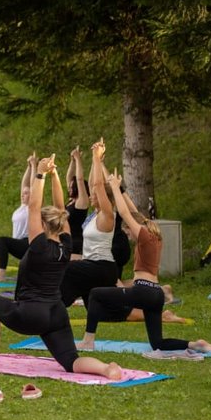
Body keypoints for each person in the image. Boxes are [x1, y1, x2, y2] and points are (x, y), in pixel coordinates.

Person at [0, 154, 122, 380]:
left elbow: (34, 206)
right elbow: (61, 207)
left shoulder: (38, 246)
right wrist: (54, 176)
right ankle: (105, 369)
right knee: (71, 361)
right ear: (61, 224)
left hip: (31, 314)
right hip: (56, 314)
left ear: (43, 225)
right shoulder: (66, 243)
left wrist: (41, 173)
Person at [82, 169, 211, 353]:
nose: (128, 234)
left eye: (128, 231)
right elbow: (134, 212)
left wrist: (114, 188)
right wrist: (121, 190)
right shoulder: (154, 235)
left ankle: (88, 341)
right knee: (157, 343)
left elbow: (124, 212)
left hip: (143, 291)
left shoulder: (144, 235)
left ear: (134, 227)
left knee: (95, 294)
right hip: (156, 295)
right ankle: (196, 344)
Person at [60, 140, 120, 334]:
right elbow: (95, 183)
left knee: (68, 268)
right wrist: (96, 160)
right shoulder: (94, 215)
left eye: (96, 194)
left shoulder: (107, 214)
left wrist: (96, 158)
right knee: (107, 313)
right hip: (92, 266)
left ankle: (53, 307)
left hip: (102, 267)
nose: (92, 194)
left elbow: (97, 184)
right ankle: (157, 313)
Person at [0, 153, 36, 282]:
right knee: (3, 243)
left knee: (2, 240)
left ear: (32, 195)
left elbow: (33, 184)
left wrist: (35, 166)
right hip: (20, 244)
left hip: (28, 244)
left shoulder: (32, 207)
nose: (23, 195)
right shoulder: (22, 207)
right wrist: (29, 167)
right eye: (23, 193)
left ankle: (1, 274)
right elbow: (24, 183)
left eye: (26, 193)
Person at [65, 145, 89, 261]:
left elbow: (79, 179)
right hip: (66, 240)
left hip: (76, 242)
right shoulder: (71, 201)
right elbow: (69, 176)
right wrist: (73, 161)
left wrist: (78, 159)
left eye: (71, 187)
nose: (69, 188)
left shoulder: (82, 202)